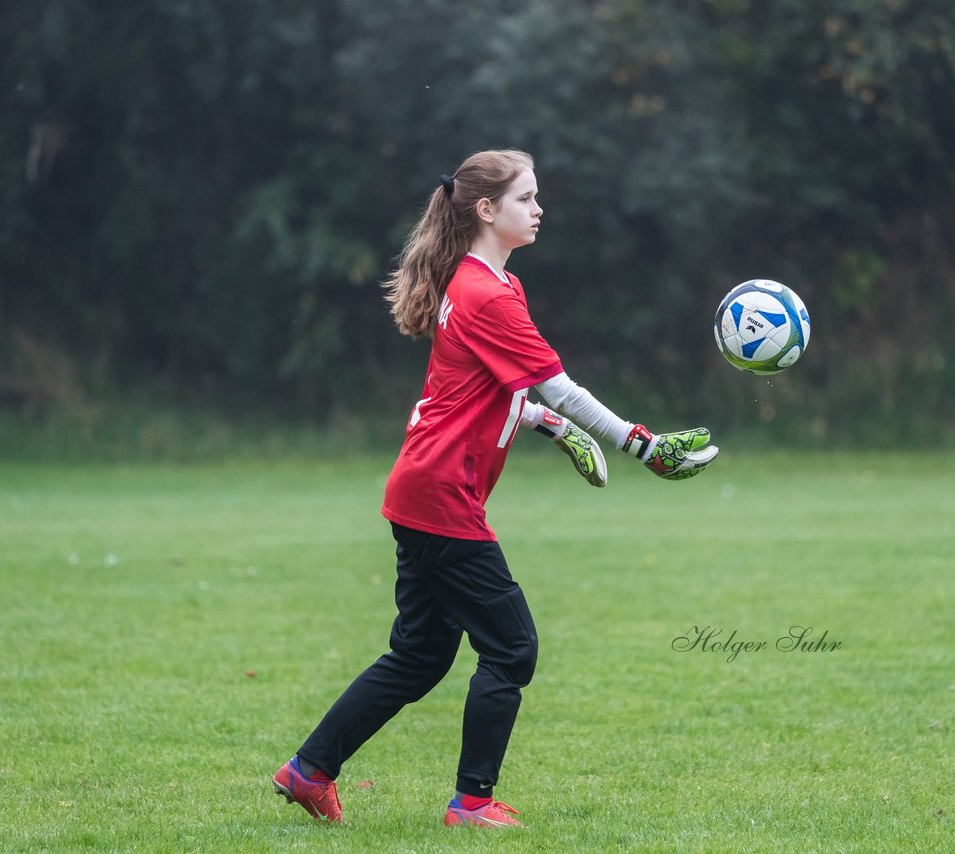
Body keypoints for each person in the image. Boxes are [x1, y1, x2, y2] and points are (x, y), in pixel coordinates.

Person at [271, 149, 717, 829]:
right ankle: (472, 803)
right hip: (442, 498)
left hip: (420, 492)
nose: (539, 210)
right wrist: (643, 446)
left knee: (419, 656)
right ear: (486, 210)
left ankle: (309, 771)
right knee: (512, 648)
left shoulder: (489, 285)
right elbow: (557, 386)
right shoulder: (482, 292)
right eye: (526, 198)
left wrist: (546, 428)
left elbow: (489, 394)